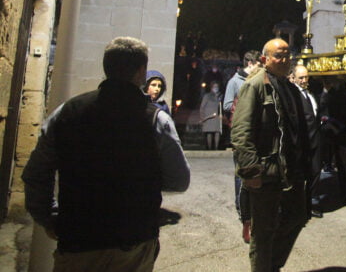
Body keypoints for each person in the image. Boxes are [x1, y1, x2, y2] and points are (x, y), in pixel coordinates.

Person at [22, 37, 190, 271]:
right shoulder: (154, 119)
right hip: (132, 243)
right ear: (141, 71)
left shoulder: (67, 112)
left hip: (78, 242)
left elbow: (36, 173)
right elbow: (179, 180)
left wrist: (49, 218)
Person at [231, 38, 311, 272]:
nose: (285, 60)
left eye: (288, 55)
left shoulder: (289, 87)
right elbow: (241, 131)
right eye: (278, 55)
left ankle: (272, 265)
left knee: (297, 217)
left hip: (290, 169)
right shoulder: (255, 85)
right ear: (265, 59)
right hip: (266, 171)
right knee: (263, 232)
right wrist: (250, 170)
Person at [224, 50, 261, 234]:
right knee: (241, 174)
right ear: (250, 64)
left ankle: (252, 212)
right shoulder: (235, 82)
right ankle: (243, 211)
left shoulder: (259, 82)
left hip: (255, 135)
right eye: (258, 65)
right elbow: (226, 104)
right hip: (241, 131)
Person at [318, 77, 346, 207]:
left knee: (344, 164)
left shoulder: (340, 94)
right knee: (321, 163)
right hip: (323, 134)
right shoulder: (317, 93)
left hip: (339, 132)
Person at [293, 64, 323, 218]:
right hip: (303, 141)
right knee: (301, 174)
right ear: (294, 78)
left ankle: (312, 202)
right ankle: (301, 206)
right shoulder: (293, 95)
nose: (304, 80)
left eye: (306, 77)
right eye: (301, 77)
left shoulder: (310, 94)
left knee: (315, 172)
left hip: (316, 139)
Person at [199, 81, 222, 150]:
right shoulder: (207, 96)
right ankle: (209, 148)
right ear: (211, 87)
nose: (216, 88)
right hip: (208, 116)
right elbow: (202, 107)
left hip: (216, 117)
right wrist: (202, 116)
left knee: (217, 132)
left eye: (217, 87)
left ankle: (216, 148)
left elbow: (220, 107)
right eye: (214, 87)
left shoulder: (219, 96)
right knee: (209, 132)